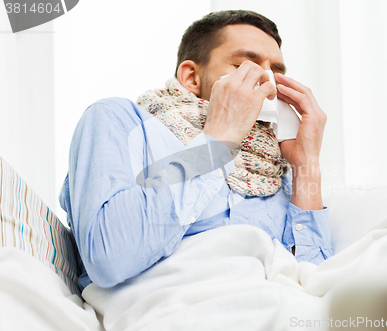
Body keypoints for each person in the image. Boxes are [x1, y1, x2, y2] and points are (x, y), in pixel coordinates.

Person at [59, 10, 333, 290]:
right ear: (191, 77)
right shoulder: (121, 121)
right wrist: (219, 140)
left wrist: (306, 165)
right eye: (246, 66)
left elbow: (316, 284)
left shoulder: (276, 171)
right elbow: (109, 257)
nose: (269, 86)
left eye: (276, 73)